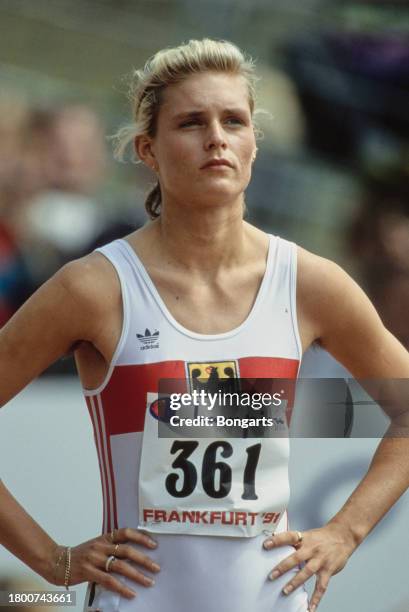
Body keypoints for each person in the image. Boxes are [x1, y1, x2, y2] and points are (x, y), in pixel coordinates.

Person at [1, 38, 409, 612]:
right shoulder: (93, 287)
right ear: (148, 149)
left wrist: (345, 531)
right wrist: (52, 559)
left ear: (253, 145)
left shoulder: (309, 283)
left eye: (233, 120)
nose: (216, 137)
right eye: (191, 122)